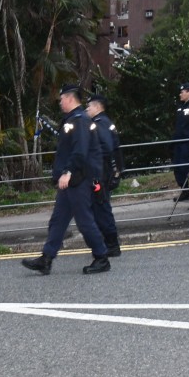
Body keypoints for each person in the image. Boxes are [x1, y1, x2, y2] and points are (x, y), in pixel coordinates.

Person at [22, 84, 109, 276]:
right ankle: (46, 259)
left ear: (69, 98)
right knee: (58, 221)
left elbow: (80, 150)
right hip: (70, 180)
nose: (60, 102)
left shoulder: (80, 120)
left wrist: (68, 172)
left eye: (61, 99)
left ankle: (101, 257)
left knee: (84, 221)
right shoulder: (72, 120)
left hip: (78, 179)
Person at [85, 93, 123, 257]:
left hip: (101, 173)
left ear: (98, 107)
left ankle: (112, 244)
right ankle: (108, 243)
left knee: (101, 209)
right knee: (100, 208)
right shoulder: (105, 122)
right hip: (105, 171)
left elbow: (105, 148)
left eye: (89, 106)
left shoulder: (99, 124)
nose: (87, 109)